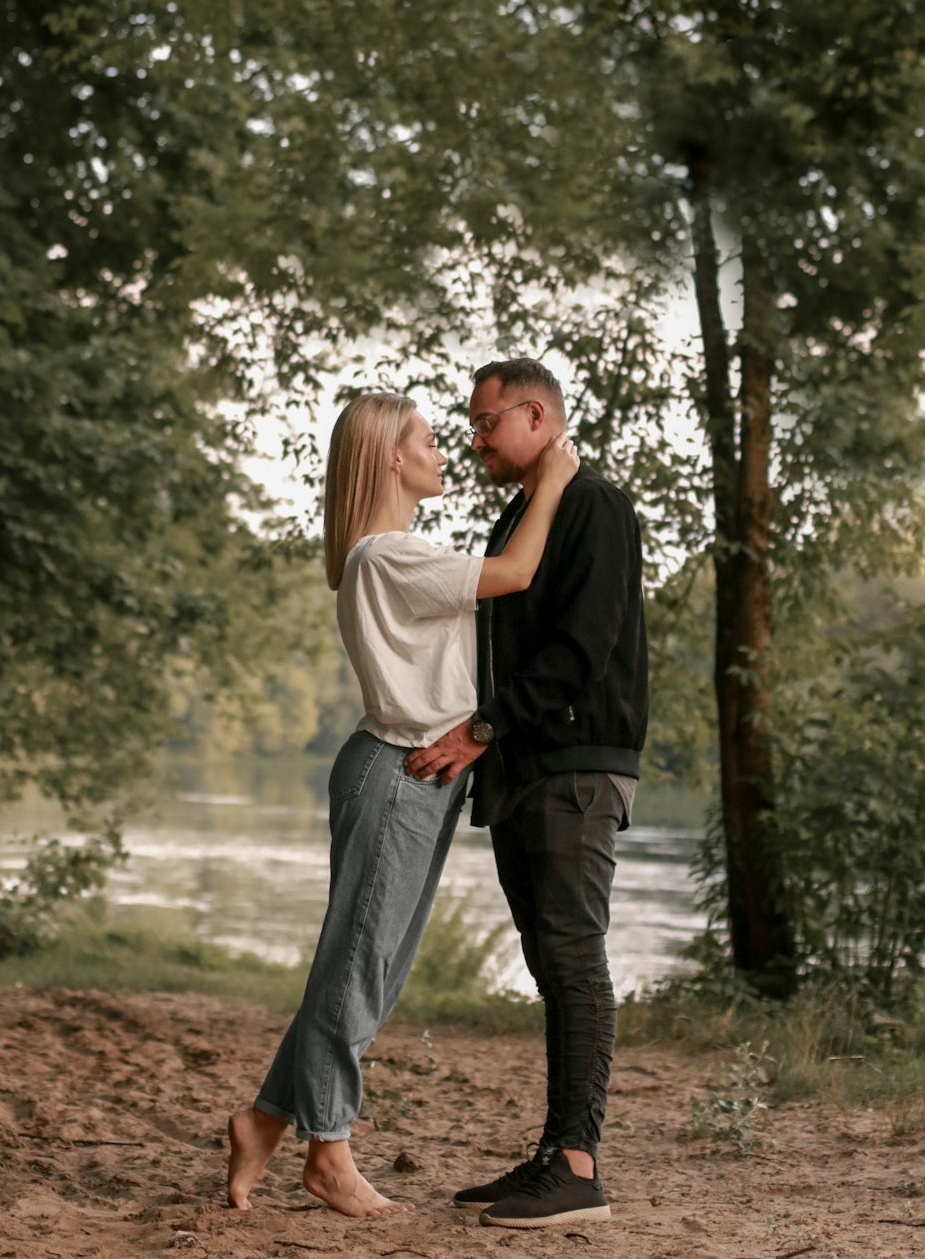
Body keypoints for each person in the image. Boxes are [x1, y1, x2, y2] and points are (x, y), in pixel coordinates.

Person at [226, 391, 579, 1219]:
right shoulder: (388, 555)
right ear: (391, 455)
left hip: (413, 775)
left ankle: (266, 1122)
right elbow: (518, 572)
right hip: (398, 770)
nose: (446, 451)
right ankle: (330, 1153)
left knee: (362, 969)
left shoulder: (391, 554)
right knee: (359, 969)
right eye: (428, 439)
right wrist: (555, 478)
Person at [405, 358, 648, 1230]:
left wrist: (477, 731)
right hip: (528, 768)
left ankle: (579, 1166)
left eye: (485, 422)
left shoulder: (595, 507)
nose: (475, 438)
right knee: (553, 963)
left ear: (536, 414)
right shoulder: (527, 515)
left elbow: (582, 651)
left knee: (574, 958)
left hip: (576, 766)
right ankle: (556, 1151)